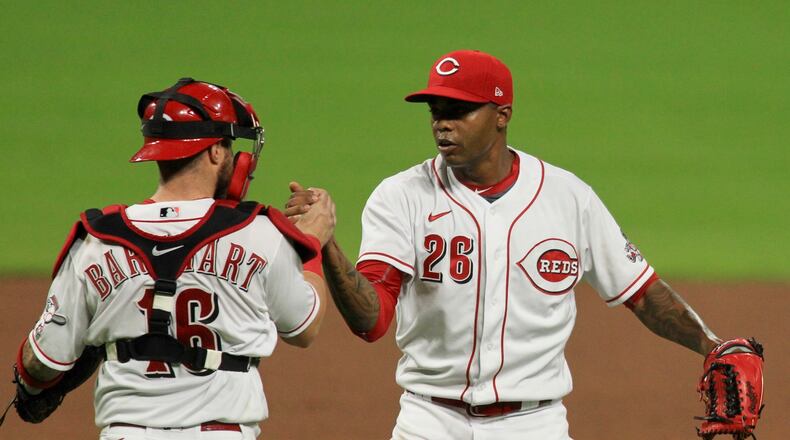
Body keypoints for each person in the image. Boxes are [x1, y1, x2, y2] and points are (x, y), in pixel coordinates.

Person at [286, 51, 763, 439]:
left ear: (502, 115)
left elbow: (641, 290)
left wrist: (711, 344)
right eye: (437, 112)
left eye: (458, 111)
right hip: (428, 422)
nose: (442, 125)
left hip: (534, 425)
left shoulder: (567, 197)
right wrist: (327, 246)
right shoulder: (401, 196)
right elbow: (371, 321)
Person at [11, 78, 335, 439]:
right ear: (215, 152)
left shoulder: (97, 241)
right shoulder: (258, 233)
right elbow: (303, 326)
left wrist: (33, 385)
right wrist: (309, 243)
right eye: (229, 145)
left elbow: (42, 361)